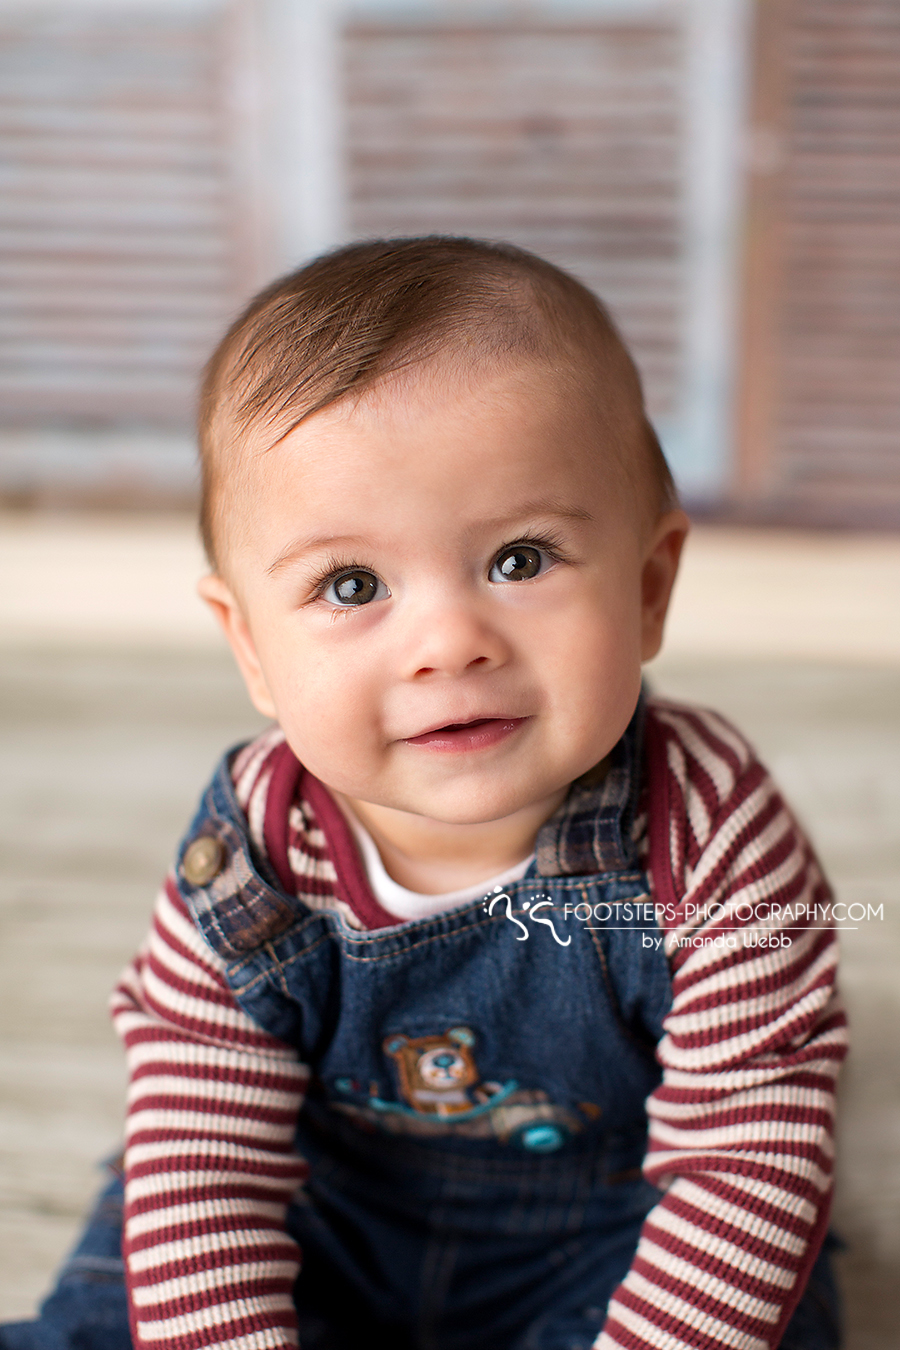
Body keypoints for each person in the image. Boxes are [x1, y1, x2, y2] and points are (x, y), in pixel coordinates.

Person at [1, 237, 846, 1350]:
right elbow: (200, 1149)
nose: (449, 642)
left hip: (621, 1232)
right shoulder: (256, 846)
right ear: (250, 648)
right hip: (316, 1210)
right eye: (352, 585)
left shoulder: (711, 826)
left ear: (649, 589)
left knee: (756, 1301)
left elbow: (749, 1154)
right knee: (131, 1300)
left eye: (521, 559)